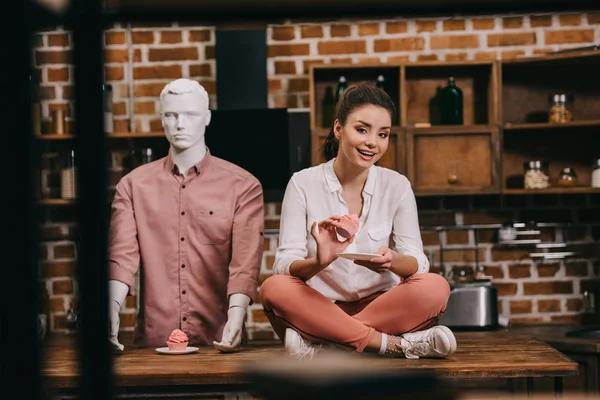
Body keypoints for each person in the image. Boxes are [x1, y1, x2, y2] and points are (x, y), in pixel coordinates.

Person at [260, 83, 456, 360]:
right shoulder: (302, 183)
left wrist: (392, 261)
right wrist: (320, 262)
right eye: (362, 129)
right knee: (274, 287)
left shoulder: (397, 186)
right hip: (320, 307)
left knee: (435, 286)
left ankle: (328, 344)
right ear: (339, 129)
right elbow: (283, 264)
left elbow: (417, 261)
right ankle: (396, 345)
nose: (372, 142)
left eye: (383, 134)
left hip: (381, 307)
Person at [108, 78, 264, 352]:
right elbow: (121, 257)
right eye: (171, 115)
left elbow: (244, 263)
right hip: (152, 346)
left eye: (190, 115)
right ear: (161, 119)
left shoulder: (242, 186)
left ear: (206, 118)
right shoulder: (132, 186)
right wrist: (109, 310)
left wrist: (236, 316)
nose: (180, 123)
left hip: (218, 342)